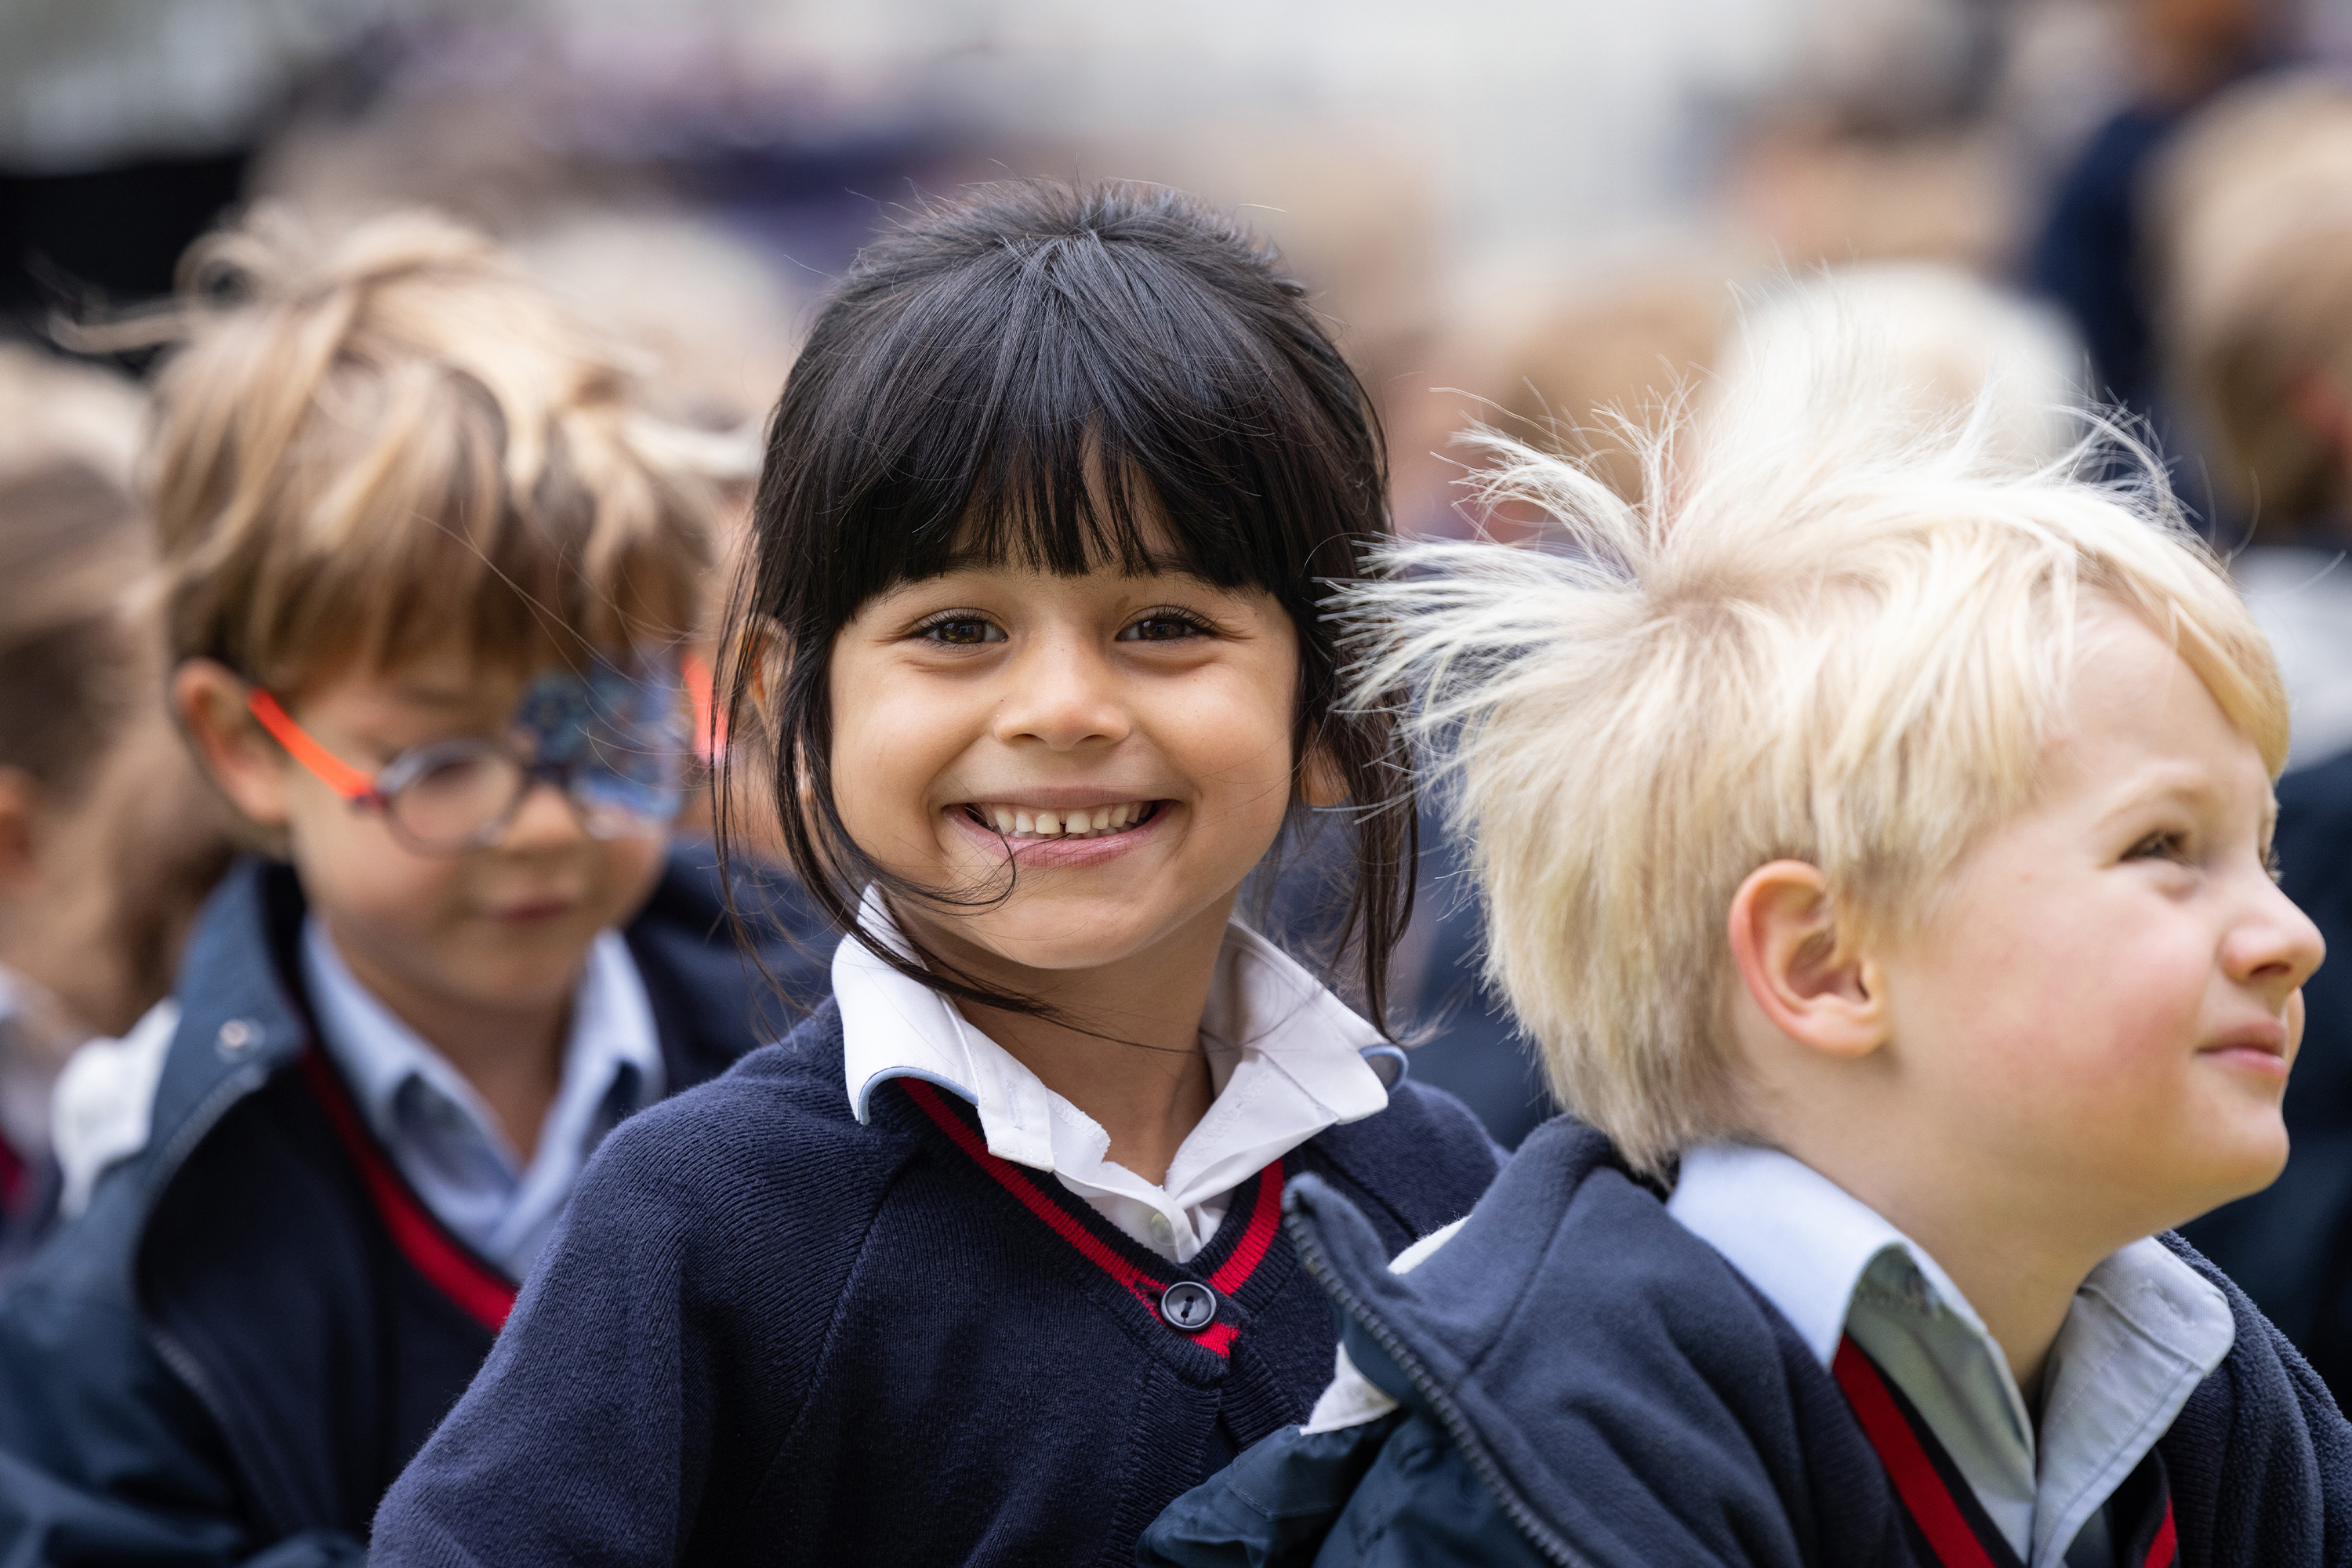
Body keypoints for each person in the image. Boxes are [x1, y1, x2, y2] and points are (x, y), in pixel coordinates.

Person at [368, 180, 1504, 1567]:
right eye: (960, 626)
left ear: (1332, 712)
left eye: (1162, 622)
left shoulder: (1442, 1196)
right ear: (802, 702)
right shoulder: (708, 1219)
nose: (1061, 708)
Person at [1142, 310, 2350, 1566]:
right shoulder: (1551, 1453)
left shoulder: (2209, 1383)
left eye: (2262, 853)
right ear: (1822, 962)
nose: (2287, 935)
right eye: (2163, 851)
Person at [0, 207, 826, 1566]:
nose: (541, 821)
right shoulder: (147, 1207)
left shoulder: (826, 1032)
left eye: (601, 724)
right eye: (442, 757)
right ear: (249, 747)